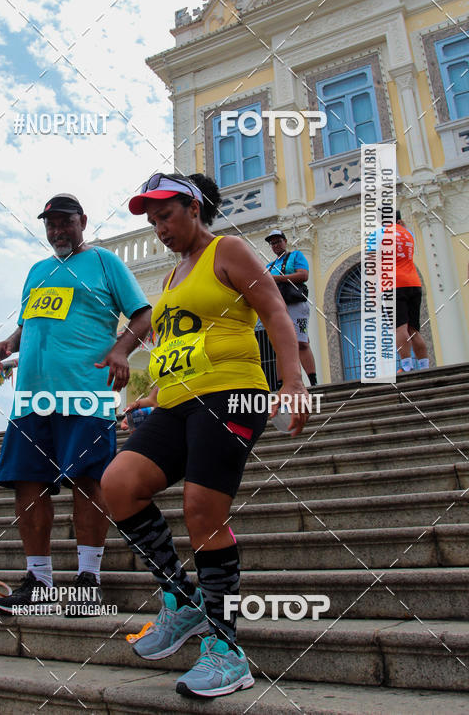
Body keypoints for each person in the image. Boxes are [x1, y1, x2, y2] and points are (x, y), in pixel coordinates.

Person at [101, 172, 308, 699]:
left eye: (166, 215)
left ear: (194, 208)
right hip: (175, 401)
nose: (159, 227)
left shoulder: (229, 250)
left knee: (201, 509)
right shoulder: (172, 278)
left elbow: (275, 312)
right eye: (152, 220)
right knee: (119, 484)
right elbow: (175, 346)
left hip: (231, 393)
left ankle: (225, 650)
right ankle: (181, 599)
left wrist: (291, 382)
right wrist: (149, 393)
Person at [0, 193, 151, 614]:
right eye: (50, 224)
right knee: (27, 482)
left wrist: (121, 352)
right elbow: (29, 324)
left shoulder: (104, 263)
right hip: (31, 397)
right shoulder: (37, 271)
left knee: (87, 480)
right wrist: (10, 341)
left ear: (82, 221)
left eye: (65, 222)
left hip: (84, 391)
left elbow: (143, 315)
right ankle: (39, 582)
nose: (57, 231)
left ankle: (87, 580)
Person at [265, 229, 317, 386]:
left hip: (296, 304)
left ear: (285, 241)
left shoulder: (296, 256)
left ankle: (313, 381)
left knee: (302, 342)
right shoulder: (270, 265)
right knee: (280, 345)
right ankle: (281, 383)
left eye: (278, 241)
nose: (276, 245)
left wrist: (277, 278)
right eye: (272, 243)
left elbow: (303, 275)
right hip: (279, 307)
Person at [394, 210, 429, 372]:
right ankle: (424, 365)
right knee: (414, 328)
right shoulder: (409, 235)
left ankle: (406, 366)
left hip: (395, 284)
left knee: (400, 328)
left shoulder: (380, 235)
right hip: (414, 282)